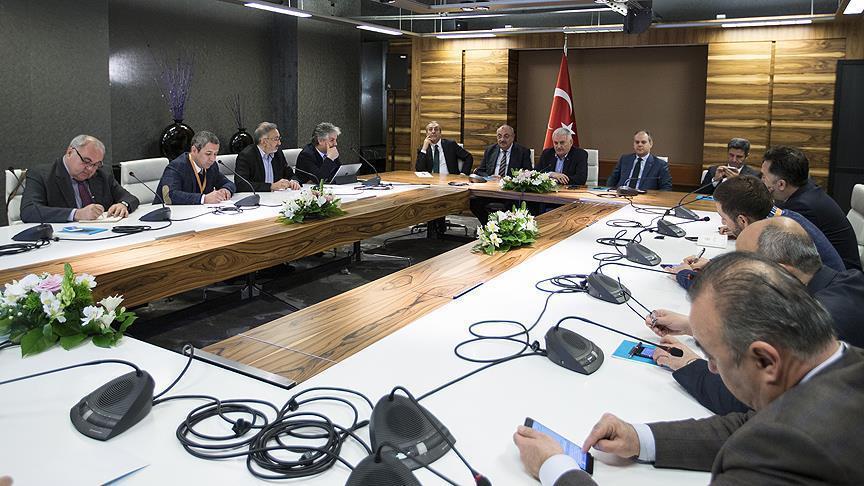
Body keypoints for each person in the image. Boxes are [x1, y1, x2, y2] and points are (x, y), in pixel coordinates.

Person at [514, 252, 863, 485]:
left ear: (766, 361)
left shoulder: (778, 456)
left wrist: (556, 469)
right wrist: (640, 439)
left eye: (714, 357)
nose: (710, 369)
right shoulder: (847, 365)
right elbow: (753, 424)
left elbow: (767, 439)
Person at [650, 218, 864, 415]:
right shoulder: (846, 282)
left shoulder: (814, 322)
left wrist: (689, 364)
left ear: (782, 273)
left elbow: (748, 399)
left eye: (744, 270)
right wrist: (695, 328)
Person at [667, 175, 845, 289]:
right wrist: (712, 265)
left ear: (742, 221)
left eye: (724, 217)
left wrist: (685, 275)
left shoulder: (775, 240)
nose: (722, 223)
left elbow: (735, 297)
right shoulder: (784, 219)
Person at [761, 146, 861, 270]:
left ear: (781, 184)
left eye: (764, 177)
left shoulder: (802, 207)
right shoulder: (806, 189)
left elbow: (780, 247)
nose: (761, 181)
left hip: (841, 276)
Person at [20, 135, 139, 223]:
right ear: (70, 152)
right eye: (86, 161)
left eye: (96, 164)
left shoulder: (103, 173)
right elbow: (29, 211)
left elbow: (129, 198)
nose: (90, 169)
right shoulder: (42, 175)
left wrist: (123, 205)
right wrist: (76, 214)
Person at [470, 124, 534, 224]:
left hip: (510, 193)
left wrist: (505, 179)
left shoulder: (522, 152)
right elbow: (480, 171)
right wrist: (489, 177)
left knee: (514, 205)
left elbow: (527, 173)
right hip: (490, 191)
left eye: (506, 136)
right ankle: (489, 225)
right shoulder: (490, 150)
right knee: (473, 201)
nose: (502, 139)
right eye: (499, 136)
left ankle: (504, 226)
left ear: (513, 137)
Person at [156, 131, 236, 205]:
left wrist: (226, 190)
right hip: (167, 213)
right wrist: (204, 199)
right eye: (208, 154)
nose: (213, 159)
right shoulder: (176, 167)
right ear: (194, 150)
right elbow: (170, 196)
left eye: (215, 154)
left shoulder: (211, 166)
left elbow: (229, 183)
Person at [234, 122, 300, 192]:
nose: (279, 143)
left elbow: (290, 174)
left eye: (279, 138)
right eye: (276, 139)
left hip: (277, 195)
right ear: (264, 141)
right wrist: (271, 186)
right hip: (258, 196)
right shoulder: (246, 156)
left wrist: (294, 181)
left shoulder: (278, 153)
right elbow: (241, 185)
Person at [606, 130, 672, 190]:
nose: (639, 145)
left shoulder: (660, 165)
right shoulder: (624, 159)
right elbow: (612, 180)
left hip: (646, 197)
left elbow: (666, 188)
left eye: (643, 142)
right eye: (637, 142)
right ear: (633, 144)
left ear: (650, 144)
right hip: (622, 195)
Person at [696, 138, 760, 194]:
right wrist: (715, 180)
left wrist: (737, 182)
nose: (734, 160)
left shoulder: (754, 176)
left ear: (746, 156)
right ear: (727, 153)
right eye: (731, 155)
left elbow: (753, 199)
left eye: (739, 157)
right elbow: (700, 193)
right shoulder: (713, 170)